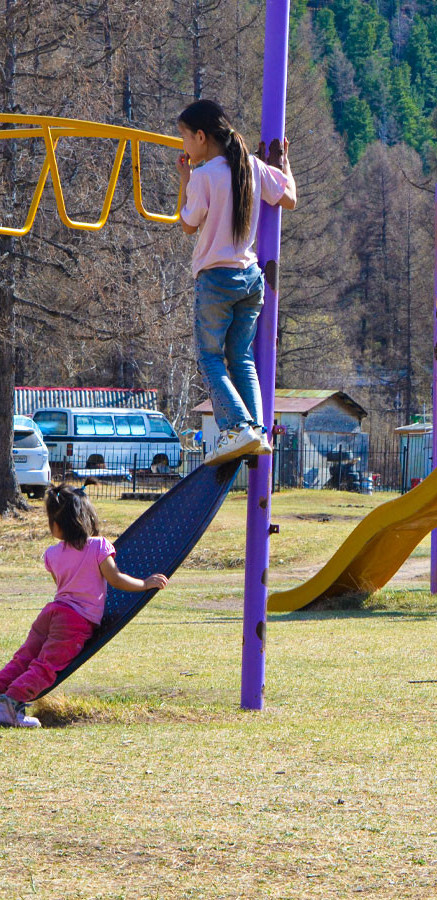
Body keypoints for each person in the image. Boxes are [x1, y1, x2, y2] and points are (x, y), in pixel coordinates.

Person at [176, 99, 297, 465]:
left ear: (201, 136)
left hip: (216, 278)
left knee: (209, 357)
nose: (183, 145)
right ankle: (257, 431)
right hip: (250, 278)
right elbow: (289, 198)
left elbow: (188, 224)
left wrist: (185, 180)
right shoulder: (253, 166)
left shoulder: (205, 176)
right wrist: (285, 165)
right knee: (241, 357)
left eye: (185, 137)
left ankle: (238, 427)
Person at [0, 486, 168, 728]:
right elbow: (115, 579)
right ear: (86, 518)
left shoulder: (51, 554)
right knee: (47, 666)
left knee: (24, 657)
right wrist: (144, 583)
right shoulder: (98, 547)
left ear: (56, 525)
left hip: (51, 612)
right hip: (75, 621)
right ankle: (11, 703)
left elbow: (62, 585)